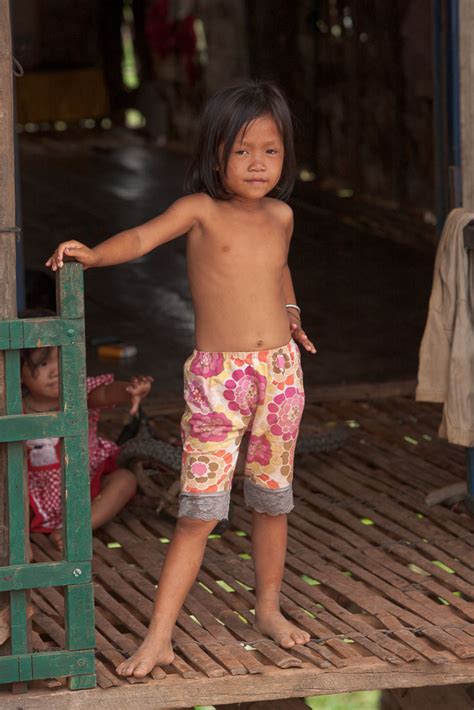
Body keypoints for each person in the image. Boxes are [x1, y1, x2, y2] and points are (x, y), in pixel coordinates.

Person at [46, 80, 317, 677]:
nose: (257, 164)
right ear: (215, 151)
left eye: (270, 151)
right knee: (199, 511)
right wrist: (94, 254)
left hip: (280, 375)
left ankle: (268, 609)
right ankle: (159, 637)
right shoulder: (199, 210)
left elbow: (279, 272)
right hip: (220, 380)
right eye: (242, 149)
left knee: (273, 499)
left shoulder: (282, 215)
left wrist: (293, 318)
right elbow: (142, 237)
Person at [21, 317, 153, 550]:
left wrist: (128, 389)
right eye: (41, 364)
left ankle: (77, 529)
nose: (55, 371)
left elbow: (105, 393)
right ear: (18, 372)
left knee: (125, 480)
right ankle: (20, 543)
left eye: (61, 359)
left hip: (84, 488)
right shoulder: (13, 408)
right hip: (30, 496)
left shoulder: (79, 394)